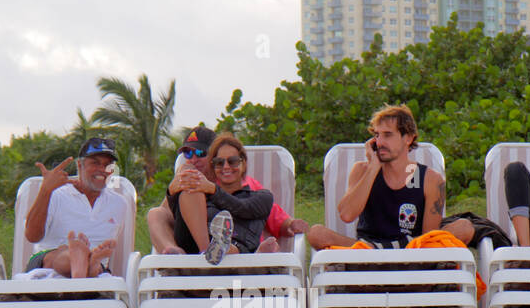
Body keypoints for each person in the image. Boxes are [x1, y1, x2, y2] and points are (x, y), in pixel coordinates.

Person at [307, 104, 445, 249]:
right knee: (316, 233)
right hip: (367, 249)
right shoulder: (362, 170)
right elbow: (347, 215)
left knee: (462, 228)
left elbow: (429, 239)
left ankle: (384, 250)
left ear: (408, 138)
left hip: (410, 251)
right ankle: (380, 250)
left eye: (388, 135)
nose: (380, 142)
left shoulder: (431, 179)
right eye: (377, 135)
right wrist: (373, 168)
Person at [166, 133, 309, 262]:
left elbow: (243, 207)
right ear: (213, 165)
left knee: (235, 245)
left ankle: (217, 251)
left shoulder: (260, 195)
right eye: (219, 163)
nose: (226, 167)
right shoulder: (201, 194)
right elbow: (174, 213)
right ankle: (207, 252)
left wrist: (290, 224)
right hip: (203, 256)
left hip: (241, 254)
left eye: (233, 161)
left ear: (243, 163)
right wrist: (174, 188)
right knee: (157, 212)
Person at [148, 126, 269, 255]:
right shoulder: (186, 180)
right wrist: (172, 191)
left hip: (234, 246)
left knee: (192, 189)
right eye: (188, 153)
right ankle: (172, 255)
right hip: (190, 247)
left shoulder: (236, 180)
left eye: (201, 153)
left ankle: (208, 251)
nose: (194, 160)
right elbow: (167, 215)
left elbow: (261, 207)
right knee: (155, 213)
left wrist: (288, 223)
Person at [23, 137, 126, 277]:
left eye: (108, 165)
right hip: (47, 261)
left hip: (98, 268)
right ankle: (80, 259)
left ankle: (87, 263)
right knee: (63, 252)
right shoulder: (56, 194)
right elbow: (32, 236)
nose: (102, 169)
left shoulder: (119, 204)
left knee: (99, 265)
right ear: (80, 165)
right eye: (95, 163)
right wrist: (45, 191)